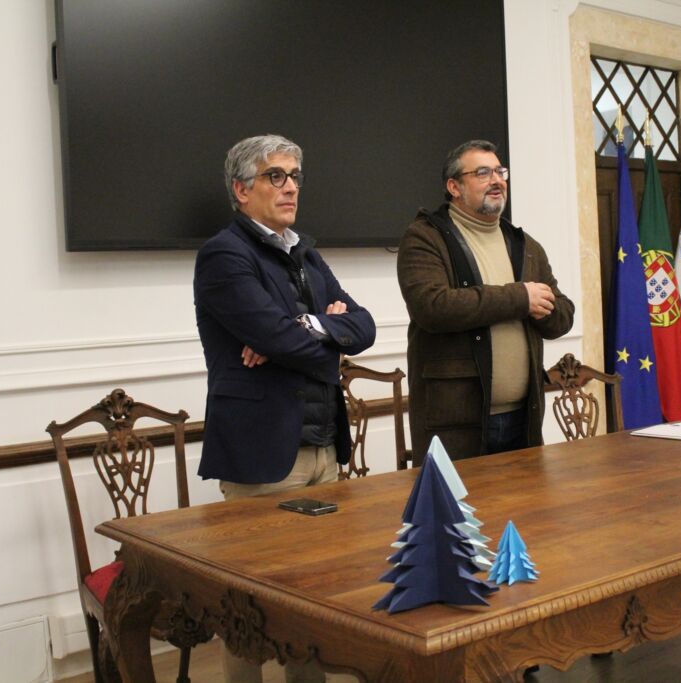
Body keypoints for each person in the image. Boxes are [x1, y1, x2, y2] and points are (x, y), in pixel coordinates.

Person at [193, 134, 375, 683]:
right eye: (276, 176)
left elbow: (364, 326)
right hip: (263, 452)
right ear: (241, 189)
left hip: (322, 446)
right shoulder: (225, 254)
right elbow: (279, 336)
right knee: (248, 606)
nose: (290, 186)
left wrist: (306, 327)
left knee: (313, 598)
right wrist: (318, 335)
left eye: (295, 175)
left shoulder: (305, 253)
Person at [397, 140, 574, 462]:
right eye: (482, 173)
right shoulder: (425, 237)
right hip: (456, 423)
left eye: (499, 171)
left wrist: (543, 308)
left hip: (524, 418)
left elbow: (562, 318)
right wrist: (520, 298)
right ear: (454, 187)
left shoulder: (524, 245)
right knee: (459, 498)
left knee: (525, 498)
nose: (496, 180)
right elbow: (432, 307)